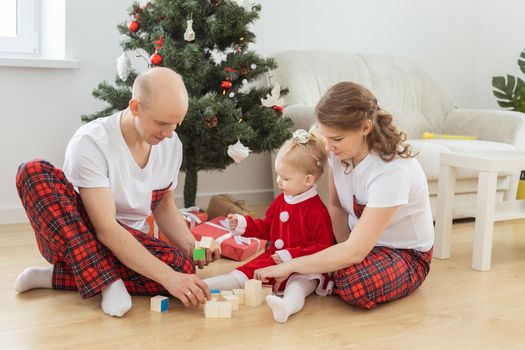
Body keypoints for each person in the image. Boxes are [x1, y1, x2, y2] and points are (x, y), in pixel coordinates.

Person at [14, 67, 220, 317]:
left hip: (132, 241)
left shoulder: (170, 144)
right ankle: (107, 282)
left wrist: (195, 249)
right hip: (76, 239)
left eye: (176, 124)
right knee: (32, 171)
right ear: (135, 107)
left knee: (183, 268)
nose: (169, 133)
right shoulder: (91, 141)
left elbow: (164, 207)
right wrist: (168, 278)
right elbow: (106, 228)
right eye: (162, 123)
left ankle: (54, 278)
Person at [255, 82, 434, 310]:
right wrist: (340, 250)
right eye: (325, 136)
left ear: (365, 128)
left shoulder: (392, 171)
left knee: (354, 283)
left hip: (404, 254)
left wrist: (293, 266)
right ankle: (324, 272)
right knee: (306, 245)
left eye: (337, 139)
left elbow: (356, 251)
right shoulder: (340, 153)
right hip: (356, 239)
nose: (328, 147)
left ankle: (324, 273)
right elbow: (336, 205)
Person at [203, 129, 335, 323]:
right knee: (242, 274)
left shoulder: (317, 211)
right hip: (272, 259)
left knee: (299, 286)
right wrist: (243, 224)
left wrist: (291, 256)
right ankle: (202, 285)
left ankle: (286, 307)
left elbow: (323, 248)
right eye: (278, 175)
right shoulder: (281, 200)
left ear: (308, 180)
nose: (278, 181)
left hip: (305, 268)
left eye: (285, 178)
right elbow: (267, 228)